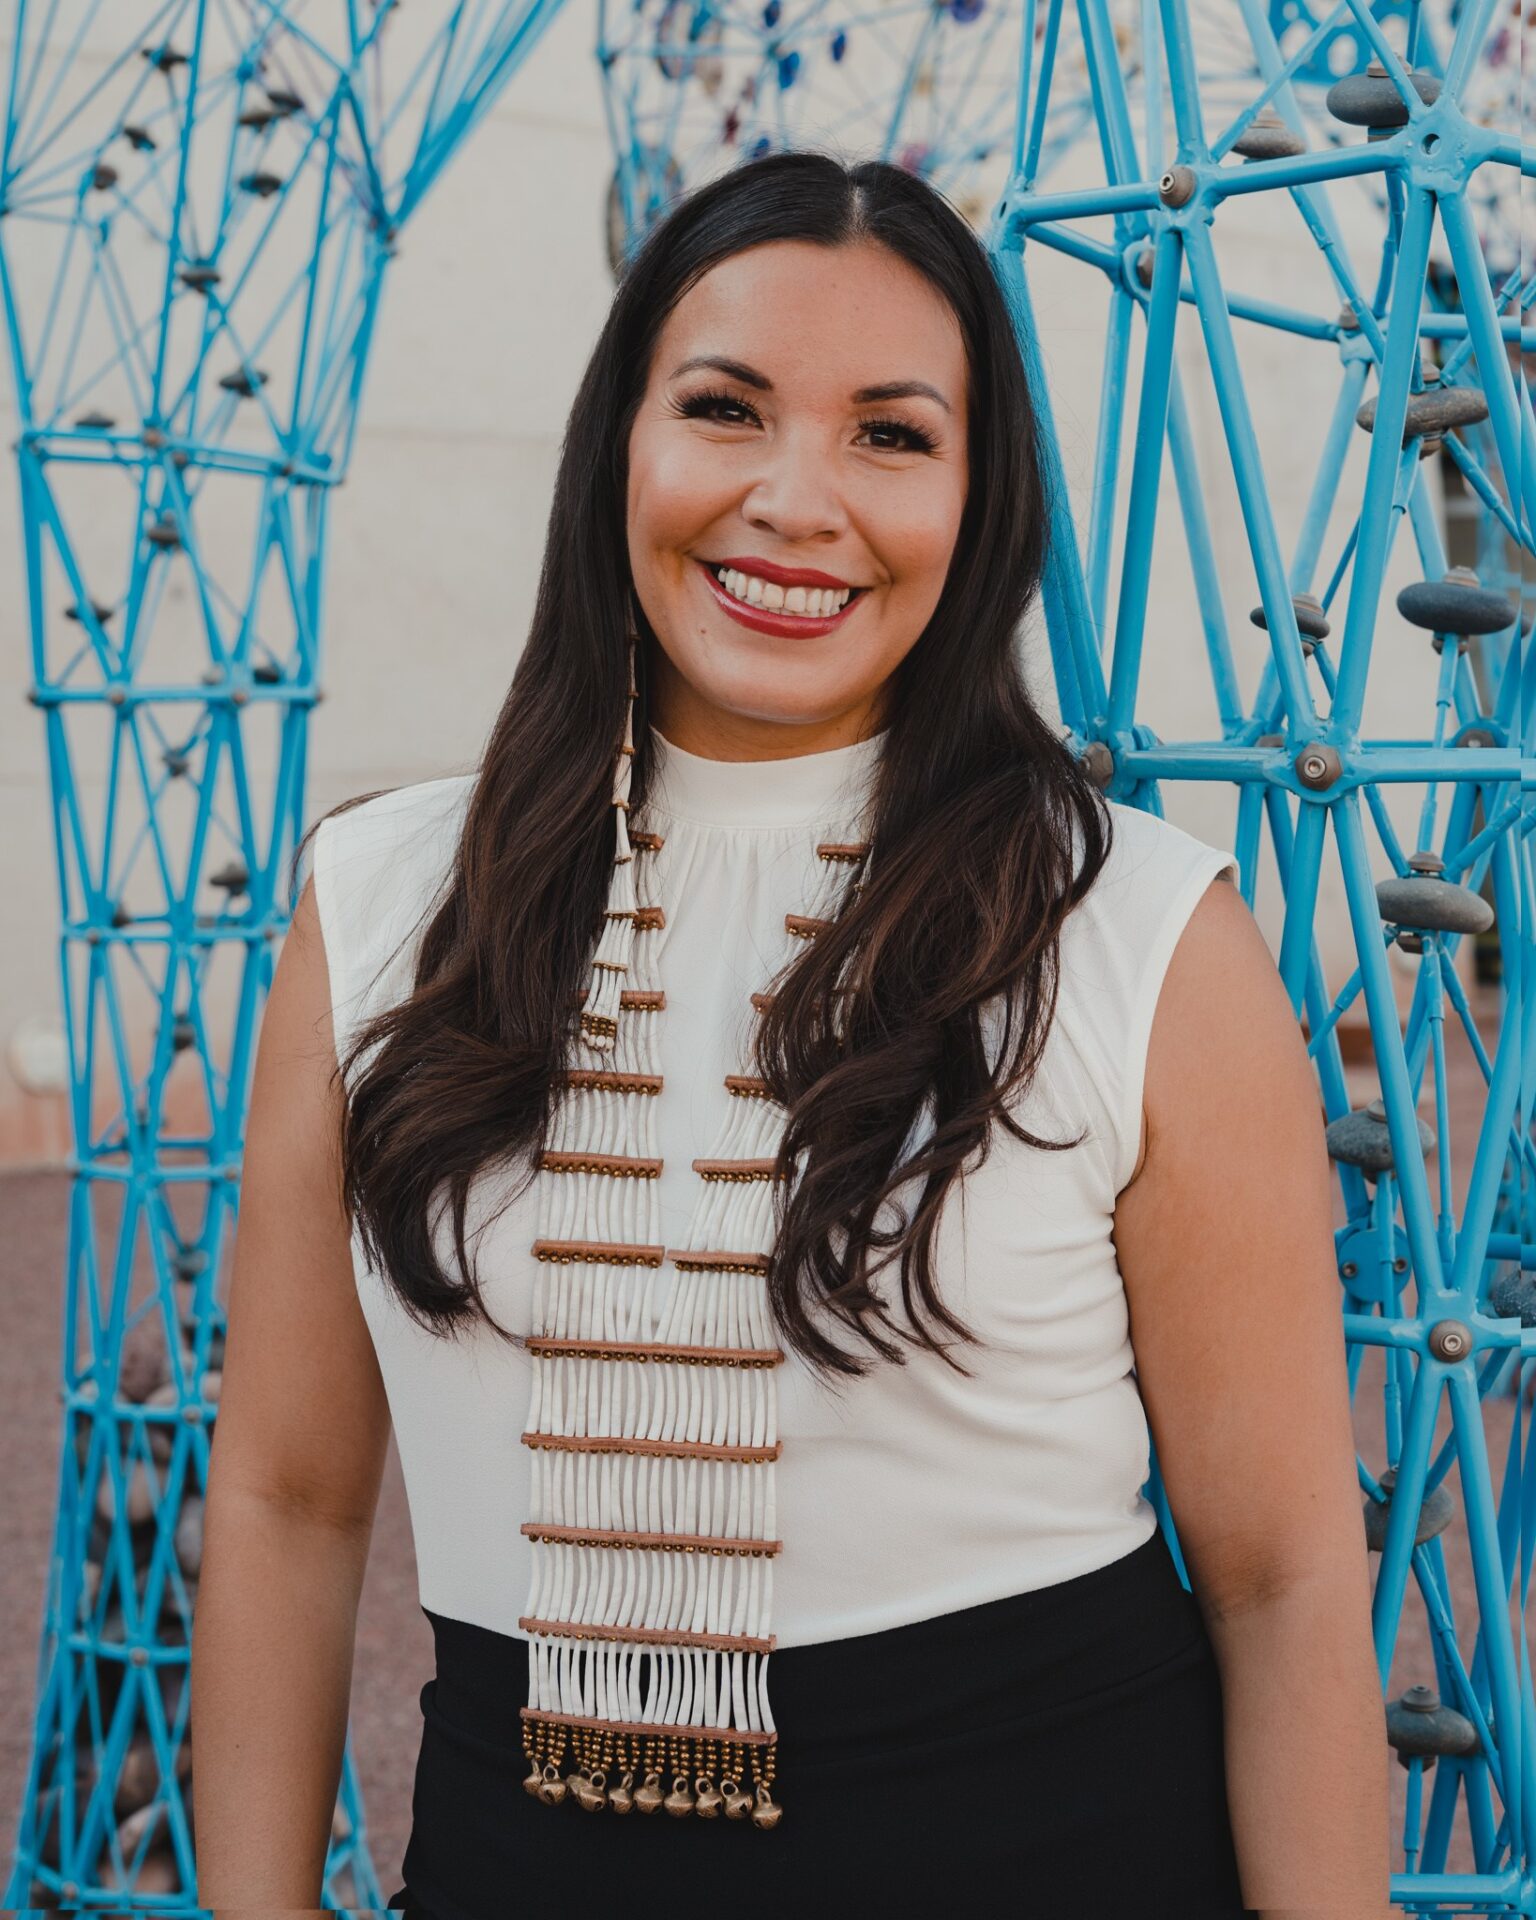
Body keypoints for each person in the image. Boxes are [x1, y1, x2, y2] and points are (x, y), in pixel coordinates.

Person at [190, 150, 1391, 1918]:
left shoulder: (1138, 935)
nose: (796, 498)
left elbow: (1286, 1576)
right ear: (620, 444)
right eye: (726, 408)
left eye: (893, 435)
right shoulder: (377, 908)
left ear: (981, 502)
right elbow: (292, 1503)